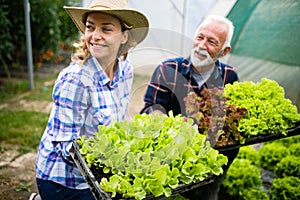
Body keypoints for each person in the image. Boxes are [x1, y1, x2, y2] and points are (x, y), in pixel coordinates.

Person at [32, 0, 149, 200]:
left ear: (124, 36)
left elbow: (116, 122)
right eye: (90, 27)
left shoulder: (125, 69)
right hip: (64, 180)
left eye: (106, 28)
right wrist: (113, 161)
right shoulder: (76, 80)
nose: (95, 36)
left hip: (96, 172)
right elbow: (67, 148)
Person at [140, 15, 239, 200]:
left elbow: (230, 117)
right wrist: (160, 118)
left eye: (211, 42)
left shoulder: (229, 76)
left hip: (212, 158)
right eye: (199, 37)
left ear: (224, 51)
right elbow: (151, 106)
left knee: (208, 195)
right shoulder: (168, 69)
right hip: (171, 158)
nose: (202, 45)